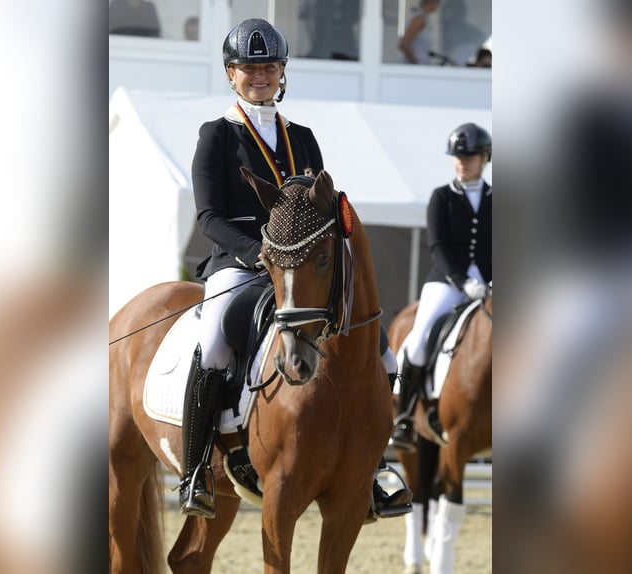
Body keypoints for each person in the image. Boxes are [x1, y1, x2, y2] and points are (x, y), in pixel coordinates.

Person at [182, 18, 412, 520]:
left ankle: (372, 470)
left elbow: (323, 209)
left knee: (380, 349)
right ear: (230, 74)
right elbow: (208, 217)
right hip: (241, 262)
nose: (259, 76)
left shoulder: (302, 139)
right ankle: (197, 469)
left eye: (268, 67)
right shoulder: (216, 136)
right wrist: (257, 254)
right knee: (215, 339)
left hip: (302, 268)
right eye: (249, 68)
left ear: (283, 72)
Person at [390, 123, 492, 451]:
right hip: (447, 280)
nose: (463, 161)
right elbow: (438, 247)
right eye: (458, 156)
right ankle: (404, 417)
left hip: (491, 281)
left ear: (484, 158)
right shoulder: (442, 197)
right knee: (418, 341)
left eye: (470, 156)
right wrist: (464, 281)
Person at [399, 0, 441, 65]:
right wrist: (416, 64)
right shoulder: (419, 19)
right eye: (438, 2)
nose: (438, 5)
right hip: (414, 68)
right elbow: (404, 44)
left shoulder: (425, 18)